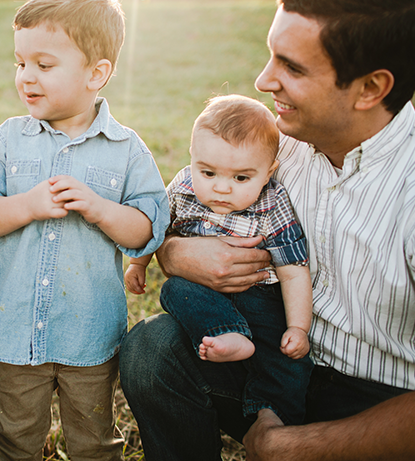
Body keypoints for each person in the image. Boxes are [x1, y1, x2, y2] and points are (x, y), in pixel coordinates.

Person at [119, 0, 415, 461]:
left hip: (383, 406)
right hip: (263, 349)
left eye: (292, 67)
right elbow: (186, 210)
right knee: (150, 350)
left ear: (371, 88)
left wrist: (292, 446)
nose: (263, 79)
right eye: (271, 56)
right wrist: (176, 253)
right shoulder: (275, 146)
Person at [0, 0, 169, 460]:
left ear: (97, 73)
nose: (27, 77)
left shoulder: (125, 149)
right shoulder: (9, 139)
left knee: (94, 440)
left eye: (44, 65)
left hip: (87, 332)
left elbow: (147, 228)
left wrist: (100, 208)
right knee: (14, 437)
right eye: (20, 63)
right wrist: (26, 206)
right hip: (14, 327)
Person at [124, 94, 313, 426]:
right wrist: (139, 263)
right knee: (174, 290)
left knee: (283, 354)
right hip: (204, 294)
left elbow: (293, 269)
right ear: (192, 157)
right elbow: (159, 225)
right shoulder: (183, 187)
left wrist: (298, 327)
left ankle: (273, 413)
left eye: (241, 178)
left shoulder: (273, 202)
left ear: (268, 172)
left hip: (260, 297)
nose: (222, 188)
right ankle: (226, 334)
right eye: (208, 172)